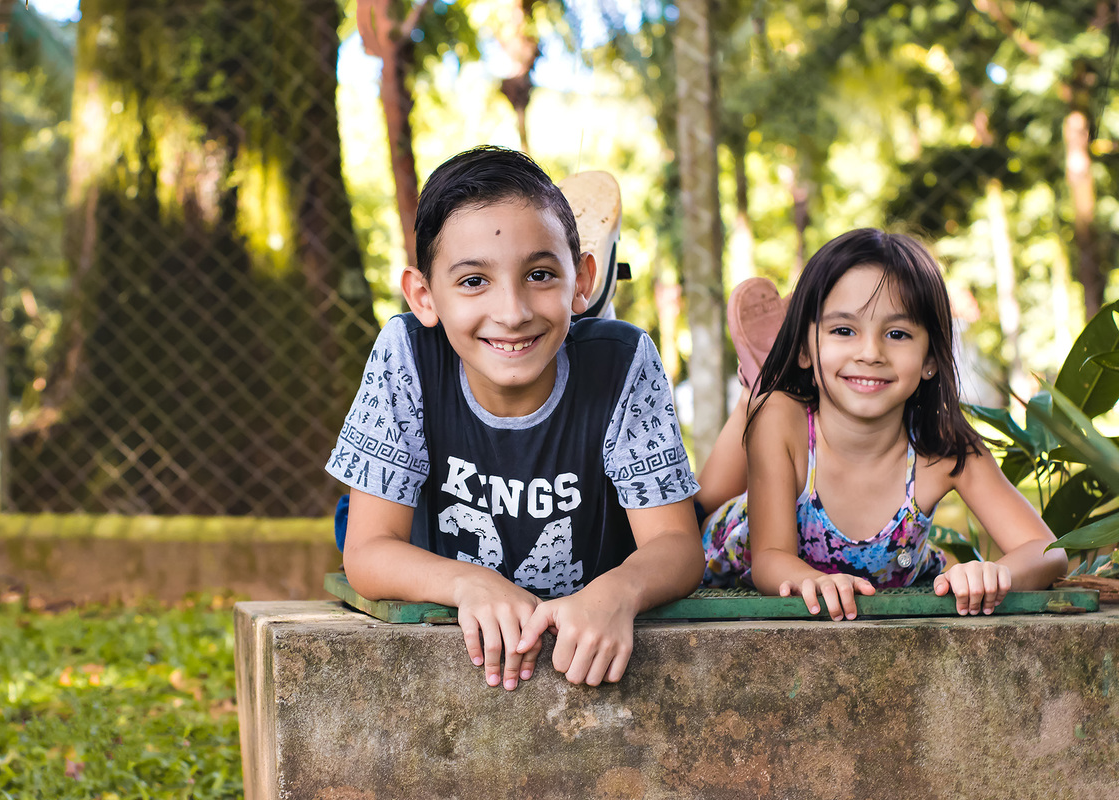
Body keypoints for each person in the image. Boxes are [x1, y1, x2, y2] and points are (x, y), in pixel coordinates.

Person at [326, 146, 703, 690]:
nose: (512, 311)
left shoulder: (625, 361)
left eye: (541, 274)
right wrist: (467, 583)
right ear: (424, 296)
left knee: (694, 509)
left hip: (598, 550)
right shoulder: (406, 352)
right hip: (432, 541)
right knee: (352, 515)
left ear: (582, 281)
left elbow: (678, 546)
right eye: (474, 281)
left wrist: (618, 592)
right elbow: (366, 551)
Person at [696, 228, 1066, 620]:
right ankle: (760, 381)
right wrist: (812, 579)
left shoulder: (943, 449)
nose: (871, 353)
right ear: (805, 348)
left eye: (897, 334)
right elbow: (770, 557)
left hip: (881, 565)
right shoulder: (781, 421)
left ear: (930, 360)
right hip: (736, 532)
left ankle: (775, 367)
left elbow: (1049, 550)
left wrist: (995, 574)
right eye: (843, 330)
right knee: (708, 494)